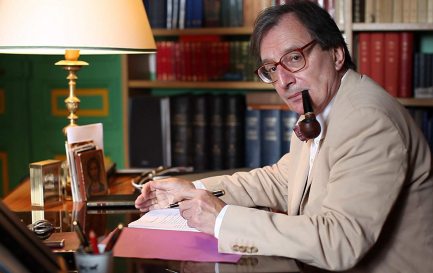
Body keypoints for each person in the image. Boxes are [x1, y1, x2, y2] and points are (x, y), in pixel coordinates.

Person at [135, 1, 433, 272]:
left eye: (294, 58)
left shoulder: (368, 121)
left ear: (336, 53)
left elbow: (339, 243)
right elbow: (281, 180)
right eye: (271, 69)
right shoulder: (320, 108)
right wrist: (191, 190)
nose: (284, 81)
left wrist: (223, 219)